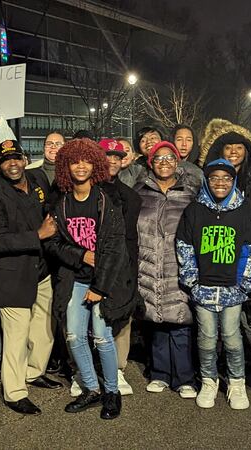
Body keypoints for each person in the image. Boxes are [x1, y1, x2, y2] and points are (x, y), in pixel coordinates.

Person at [45, 138, 135, 420]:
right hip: (75, 278)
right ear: (65, 166)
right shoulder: (61, 202)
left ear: (94, 164)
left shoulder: (106, 200)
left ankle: (111, 392)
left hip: (103, 282)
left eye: (86, 160)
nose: (80, 166)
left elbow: (115, 247)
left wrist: (100, 287)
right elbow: (53, 243)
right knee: (73, 334)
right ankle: (91, 388)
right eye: (74, 161)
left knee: (102, 337)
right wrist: (81, 255)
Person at [0, 140, 58, 416]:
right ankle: (14, 391)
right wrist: (38, 235)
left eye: (16, 158)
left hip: (42, 270)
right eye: (5, 160)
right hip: (12, 275)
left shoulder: (37, 180)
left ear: (25, 160)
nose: (12, 164)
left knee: (44, 329)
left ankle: (33, 372)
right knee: (16, 336)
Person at [176, 158, 251, 410]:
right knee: (206, 338)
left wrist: (244, 283)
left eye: (226, 178)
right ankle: (209, 380)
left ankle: (237, 382)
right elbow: (184, 246)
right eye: (214, 178)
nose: (220, 183)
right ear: (207, 181)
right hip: (203, 287)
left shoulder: (244, 209)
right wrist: (191, 280)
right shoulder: (194, 210)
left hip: (232, 289)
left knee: (232, 337)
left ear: (233, 182)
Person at [135, 141, 199, 399]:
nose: (164, 163)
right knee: (156, 321)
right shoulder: (140, 192)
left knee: (181, 321)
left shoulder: (189, 193)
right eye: (158, 158)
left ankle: (184, 378)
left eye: (169, 158)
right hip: (148, 262)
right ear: (151, 163)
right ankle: (160, 374)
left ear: (177, 163)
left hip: (178, 264)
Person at [98, 139, 142, 396]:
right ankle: (85, 369)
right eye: (107, 156)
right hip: (92, 263)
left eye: (116, 156)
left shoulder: (130, 196)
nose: (112, 161)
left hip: (122, 264)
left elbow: (131, 237)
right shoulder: (87, 190)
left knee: (120, 318)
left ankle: (117, 369)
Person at [199, 119, 251, 223]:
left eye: (239, 148)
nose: (233, 152)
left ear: (246, 152)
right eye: (228, 148)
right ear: (222, 152)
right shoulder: (208, 180)